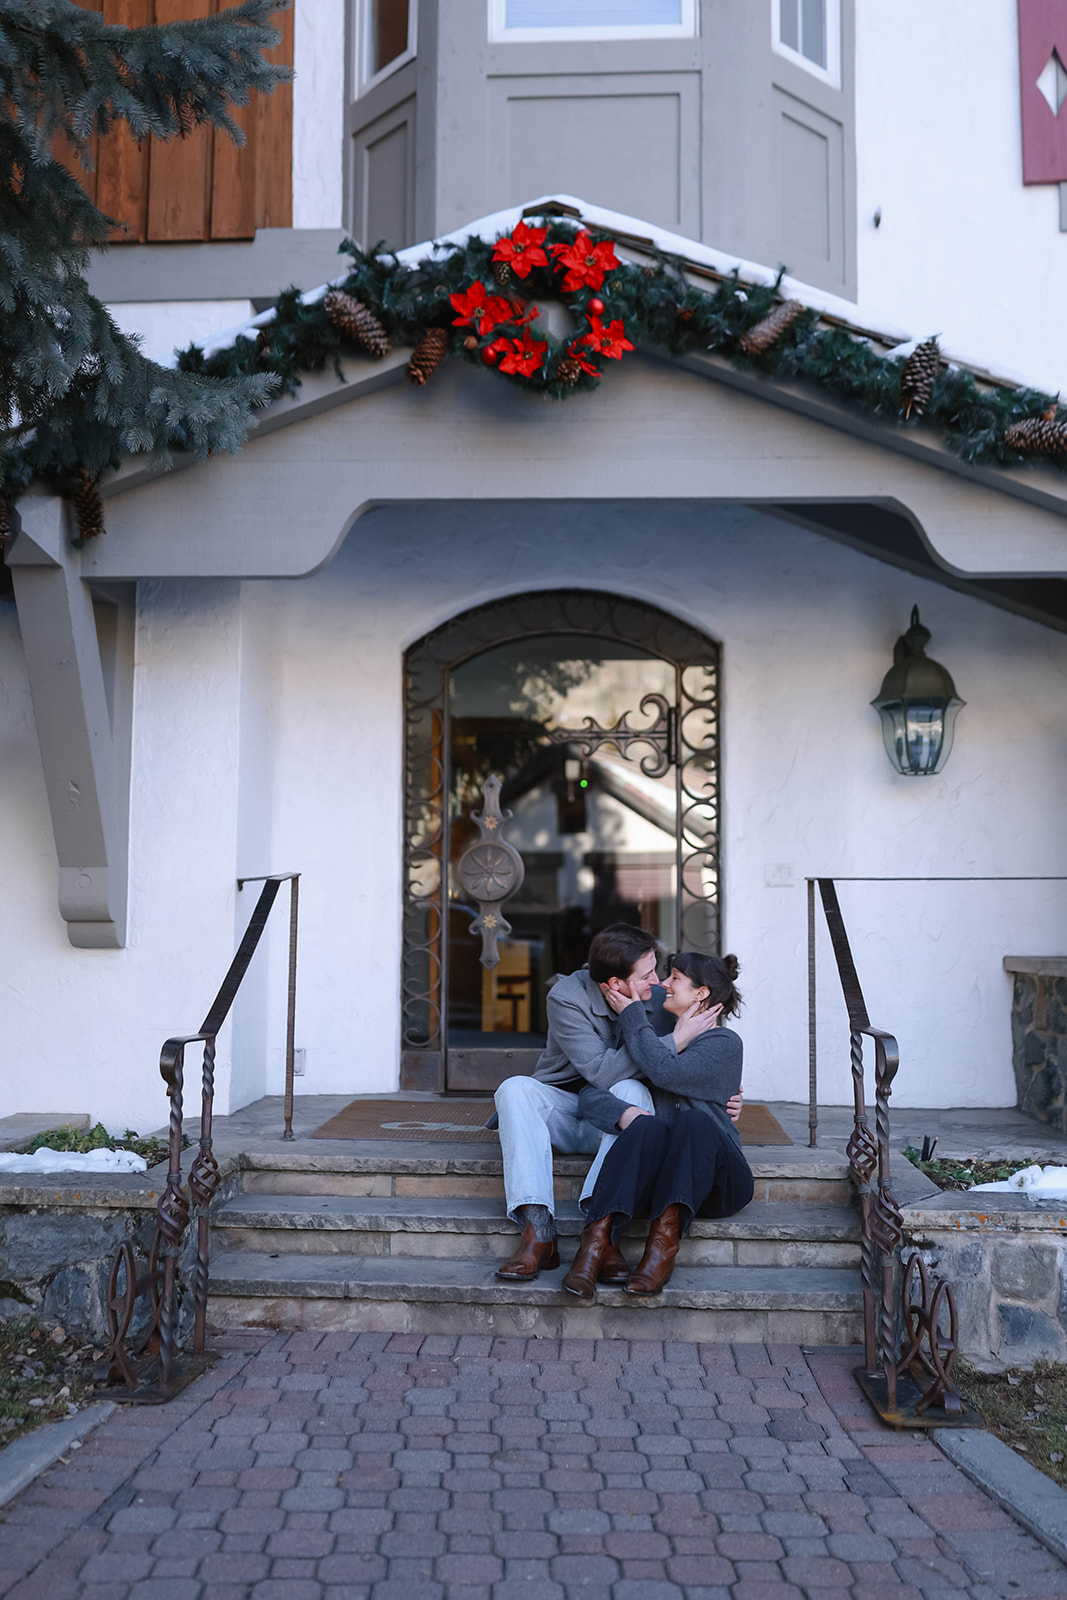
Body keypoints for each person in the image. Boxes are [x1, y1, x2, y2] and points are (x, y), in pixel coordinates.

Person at [493, 923, 741, 1281]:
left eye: (659, 971)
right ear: (614, 985)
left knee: (632, 1090)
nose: (657, 982)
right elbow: (601, 1074)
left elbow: (707, 1052)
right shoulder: (566, 997)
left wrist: (727, 1094)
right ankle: (538, 1231)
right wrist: (673, 1040)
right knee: (513, 1088)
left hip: (622, 1118)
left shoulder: (661, 997)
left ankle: (604, 1231)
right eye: (648, 974)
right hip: (567, 1109)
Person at [561, 952, 753, 1298]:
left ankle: (660, 1253)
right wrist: (626, 1114)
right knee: (645, 1126)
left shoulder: (724, 1044)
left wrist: (634, 1017)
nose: (663, 984)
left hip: (718, 1183)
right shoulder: (653, 1041)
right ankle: (593, 1248)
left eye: (675, 977)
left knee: (694, 1121)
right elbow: (591, 1094)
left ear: (700, 994)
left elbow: (667, 1072)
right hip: (663, 1184)